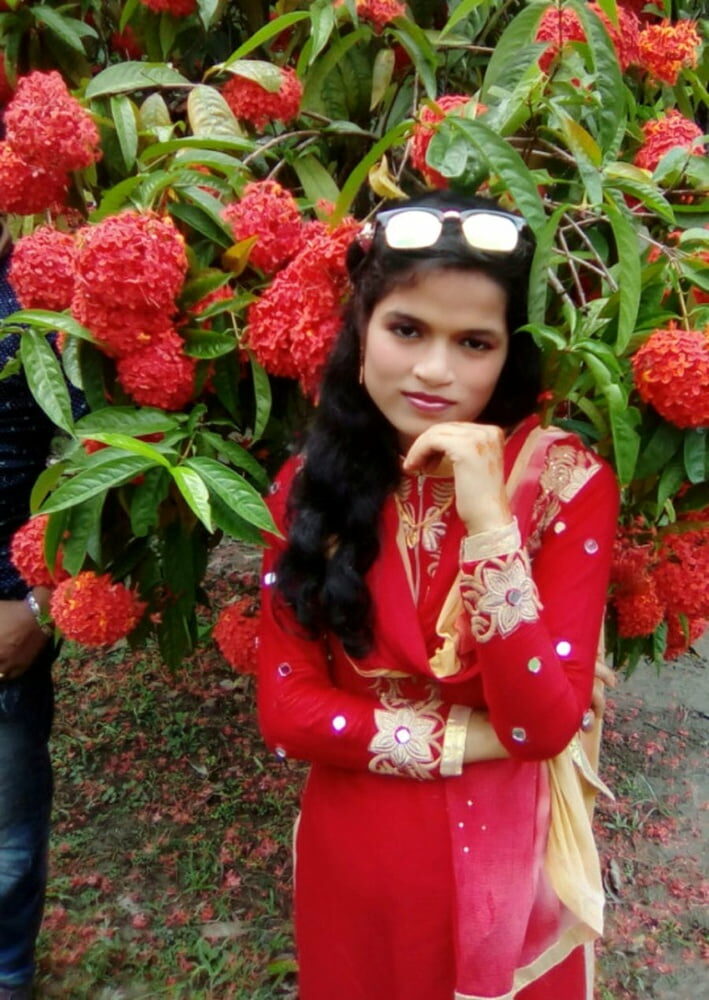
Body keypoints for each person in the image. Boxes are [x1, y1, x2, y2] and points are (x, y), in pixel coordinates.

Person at [257, 191, 620, 1000]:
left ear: (509, 356)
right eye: (407, 329)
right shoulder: (307, 487)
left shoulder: (566, 485)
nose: (433, 370)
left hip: (506, 866)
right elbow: (285, 712)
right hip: (354, 856)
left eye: (473, 342)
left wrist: (489, 523)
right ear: (361, 332)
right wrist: (472, 739)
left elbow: (538, 724)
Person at [0, 220, 56, 1000]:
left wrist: (39, 606)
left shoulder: (41, 298)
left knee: (6, 836)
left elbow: (97, 456)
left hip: (5, 616)